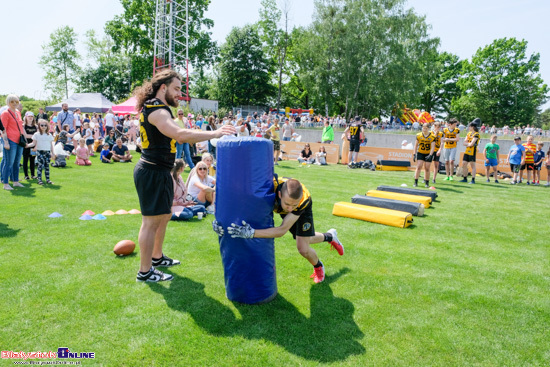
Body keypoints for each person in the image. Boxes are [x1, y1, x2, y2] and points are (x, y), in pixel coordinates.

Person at [133, 69, 236, 282]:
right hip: (151, 171)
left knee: (164, 216)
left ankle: (157, 258)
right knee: (150, 222)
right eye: (177, 89)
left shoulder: (159, 108)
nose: (180, 93)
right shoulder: (157, 110)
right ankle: (145, 271)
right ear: (163, 88)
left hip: (160, 171)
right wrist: (215, 133)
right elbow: (179, 135)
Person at [217, 175, 344, 284]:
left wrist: (252, 233)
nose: (289, 208)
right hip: (281, 198)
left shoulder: (300, 203)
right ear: (279, 194)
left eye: (293, 204)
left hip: (302, 210)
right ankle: (330, 236)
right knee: (306, 238)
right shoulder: (268, 188)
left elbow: (281, 230)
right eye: (287, 204)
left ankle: (318, 266)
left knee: (303, 248)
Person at [1, 95, 25, 190]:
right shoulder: (5, 113)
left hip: (19, 140)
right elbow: (3, 129)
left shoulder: (18, 112)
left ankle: (15, 181)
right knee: (8, 162)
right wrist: (5, 142)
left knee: (17, 162)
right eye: (12, 102)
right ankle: (6, 184)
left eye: (16, 101)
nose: (14, 104)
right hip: (10, 140)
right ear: (8, 102)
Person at [27, 119, 55, 185]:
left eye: (45, 125)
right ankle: (39, 180)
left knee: (47, 166)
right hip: (40, 151)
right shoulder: (36, 134)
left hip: (47, 152)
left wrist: (53, 153)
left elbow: (51, 145)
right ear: (39, 126)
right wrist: (27, 145)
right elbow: (33, 143)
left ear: (47, 126)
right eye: (42, 125)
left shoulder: (49, 135)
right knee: (40, 166)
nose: (43, 127)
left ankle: (48, 179)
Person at [413, 123, 435, 187]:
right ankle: (415, 181)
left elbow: (433, 147)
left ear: (428, 128)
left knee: (427, 168)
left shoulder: (432, 137)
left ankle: (427, 182)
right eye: (423, 128)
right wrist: (414, 154)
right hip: (420, 152)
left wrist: (430, 155)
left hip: (428, 153)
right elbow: (416, 145)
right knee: (419, 166)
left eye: (425, 128)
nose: (424, 129)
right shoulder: (419, 135)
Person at [22, 111, 38, 180]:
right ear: (26, 117)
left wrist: (36, 145)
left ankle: (33, 174)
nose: (30, 118)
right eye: (29, 116)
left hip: (33, 145)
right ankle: (26, 175)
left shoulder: (36, 126)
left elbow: (38, 136)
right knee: (25, 160)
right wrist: (35, 136)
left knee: (32, 160)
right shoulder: (23, 126)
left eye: (32, 116)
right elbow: (25, 135)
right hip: (26, 145)